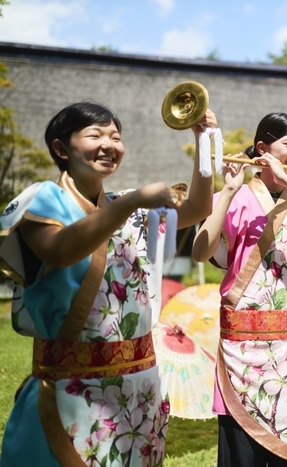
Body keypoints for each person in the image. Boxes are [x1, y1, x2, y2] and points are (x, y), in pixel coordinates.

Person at [0, 101, 215, 466]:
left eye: (115, 136)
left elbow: (197, 207)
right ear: (60, 148)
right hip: (74, 389)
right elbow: (60, 250)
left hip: (140, 387)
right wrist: (131, 203)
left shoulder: (124, 205)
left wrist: (205, 143)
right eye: (95, 134)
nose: (109, 144)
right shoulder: (42, 198)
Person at [191, 112, 287, 467]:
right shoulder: (233, 196)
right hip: (242, 346)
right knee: (240, 448)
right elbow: (201, 252)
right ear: (263, 148)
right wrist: (228, 189)